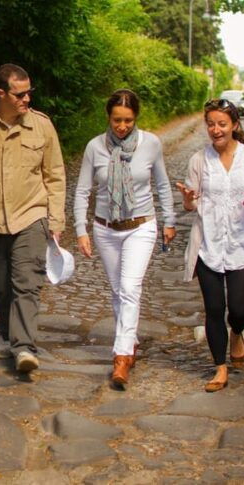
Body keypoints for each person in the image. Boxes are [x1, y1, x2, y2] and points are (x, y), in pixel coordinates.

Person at [0, 63, 66, 373]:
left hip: (31, 217)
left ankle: (24, 348)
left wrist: (55, 221)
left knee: (27, 283)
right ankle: (8, 337)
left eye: (30, 93)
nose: (27, 99)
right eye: (20, 94)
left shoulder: (42, 126)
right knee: (0, 285)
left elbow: (55, 176)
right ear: (1, 93)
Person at [73, 89, 176, 388]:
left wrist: (169, 220)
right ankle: (129, 341)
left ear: (136, 118)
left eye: (128, 120)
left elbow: (163, 184)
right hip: (105, 228)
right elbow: (82, 191)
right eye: (117, 120)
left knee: (130, 288)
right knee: (118, 291)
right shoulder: (95, 147)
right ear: (108, 117)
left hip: (141, 225)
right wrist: (81, 229)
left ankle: (121, 357)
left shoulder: (151, 144)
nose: (122, 126)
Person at [176, 98, 244, 392]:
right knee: (214, 308)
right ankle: (219, 367)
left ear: (235, 125)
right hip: (209, 245)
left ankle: (237, 334)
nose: (216, 130)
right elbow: (190, 205)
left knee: (238, 311)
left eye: (222, 124)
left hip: (242, 244)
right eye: (211, 124)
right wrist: (189, 199)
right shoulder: (198, 161)